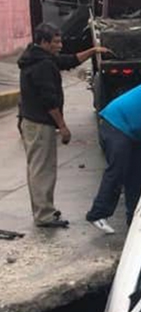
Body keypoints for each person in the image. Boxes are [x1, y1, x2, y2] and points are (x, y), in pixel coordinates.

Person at [17, 23, 111, 228]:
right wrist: (63, 127)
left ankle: (44, 210)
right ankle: (44, 215)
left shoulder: (40, 57)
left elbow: (68, 60)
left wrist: (93, 50)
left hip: (32, 122)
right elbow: (49, 101)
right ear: (43, 42)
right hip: (39, 124)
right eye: (56, 41)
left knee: (38, 168)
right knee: (42, 169)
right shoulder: (41, 66)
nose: (60, 45)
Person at [86, 64, 141, 234]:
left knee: (134, 174)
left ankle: (134, 218)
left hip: (132, 133)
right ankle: (97, 214)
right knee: (118, 169)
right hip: (117, 124)